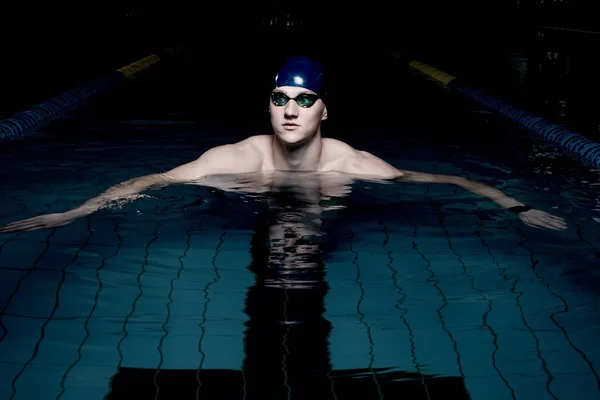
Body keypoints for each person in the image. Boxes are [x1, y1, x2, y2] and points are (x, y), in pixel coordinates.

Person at [0, 55, 567, 233]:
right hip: (247, 206)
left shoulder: (354, 162)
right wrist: (74, 211)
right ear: (268, 105)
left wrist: (516, 206)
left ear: (324, 109)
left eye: (303, 100)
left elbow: (449, 181)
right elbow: (150, 182)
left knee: (304, 231)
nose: (290, 110)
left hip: (327, 204)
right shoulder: (235, 158)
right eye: (279, 99)